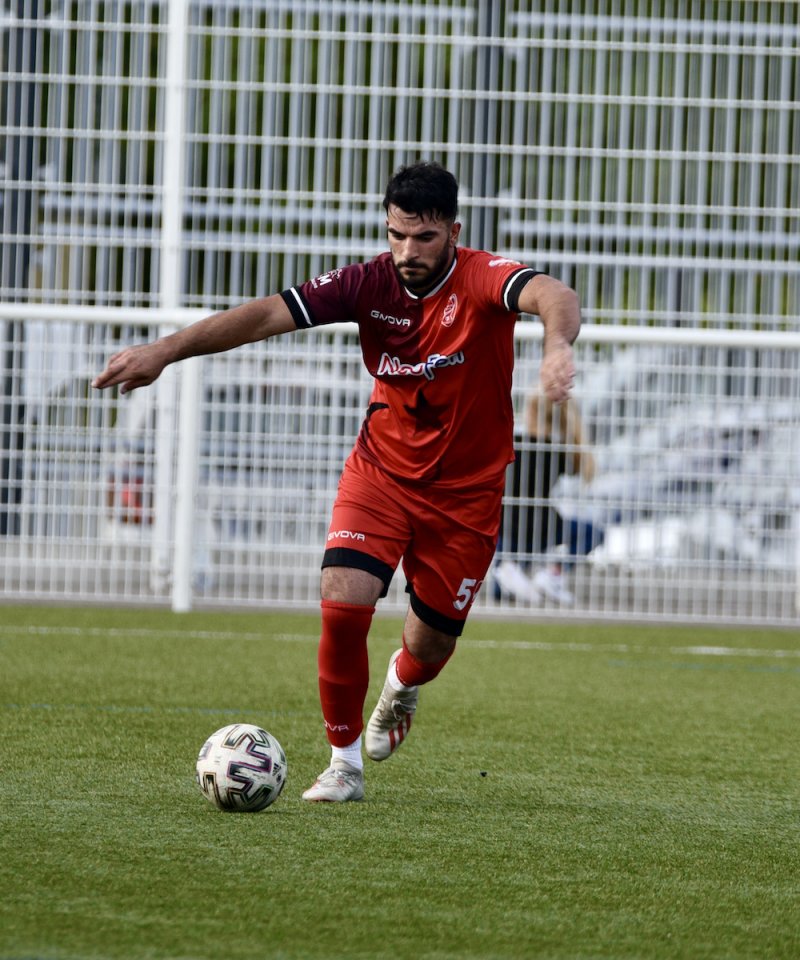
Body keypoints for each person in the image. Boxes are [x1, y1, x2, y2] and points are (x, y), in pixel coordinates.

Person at [92, 161, 580, 803]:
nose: (407, 252)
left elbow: (555, 294)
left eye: (424, 239)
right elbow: (267, 314)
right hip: (379, 474)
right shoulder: (365, 283)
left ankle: (400, 688)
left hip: (466, 495)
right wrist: (164, 351)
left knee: (429, 646)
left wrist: (555, 345)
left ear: (453, 232)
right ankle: (343, 765)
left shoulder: (484, 277)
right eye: (396, 235)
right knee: (343, 604)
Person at [494, 391, 602, 606]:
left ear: (530, 412)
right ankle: (553, 574)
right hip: (544, 528)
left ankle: (511, 570)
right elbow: (579, 469)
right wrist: (570, 429)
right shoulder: (557, 451)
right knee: (593, 533)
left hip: (507, 527)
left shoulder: (512, 442)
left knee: (501, 589)